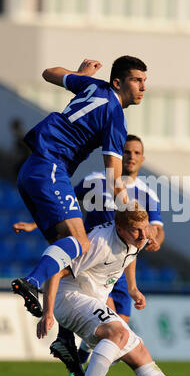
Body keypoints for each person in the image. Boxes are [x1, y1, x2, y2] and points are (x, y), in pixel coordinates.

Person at [37, 202, 190, 376]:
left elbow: (130, 255)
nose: (142, 235)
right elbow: (54, 271)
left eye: (145, 228)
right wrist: (48, 313)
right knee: (118, 333)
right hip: (69, 297)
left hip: (92, 298)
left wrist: (133, 288)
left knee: (140, 355)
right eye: (136, 230)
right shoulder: (98, 243)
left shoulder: (138, 238)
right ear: (119, 228)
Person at [13, 134, 165, 376]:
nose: (131, 157)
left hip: (121, 266)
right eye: (126, 152)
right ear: (117, 155)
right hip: (91, 261)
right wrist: (33, 224)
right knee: (108, 325)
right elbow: (61, 206)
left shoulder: (146, 193)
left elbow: (156, 229)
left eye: (137, 153)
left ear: (143, 159)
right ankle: (71, 351)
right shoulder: (94, 181)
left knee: (120, 330)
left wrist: (154, 239)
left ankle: (78, 358)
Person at [11, 55, 148, 318]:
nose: (143, 87)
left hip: (32, 169)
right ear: (118, 82)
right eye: (136, 80)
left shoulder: (93, 87)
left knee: (71, 260)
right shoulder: (115, 117)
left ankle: (61, 332)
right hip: (51, 166)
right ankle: (31, 282)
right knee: (80, 243)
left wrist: (80, 74)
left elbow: (48, 72)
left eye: (144, 81)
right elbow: (114, 178)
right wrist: (133, 213)